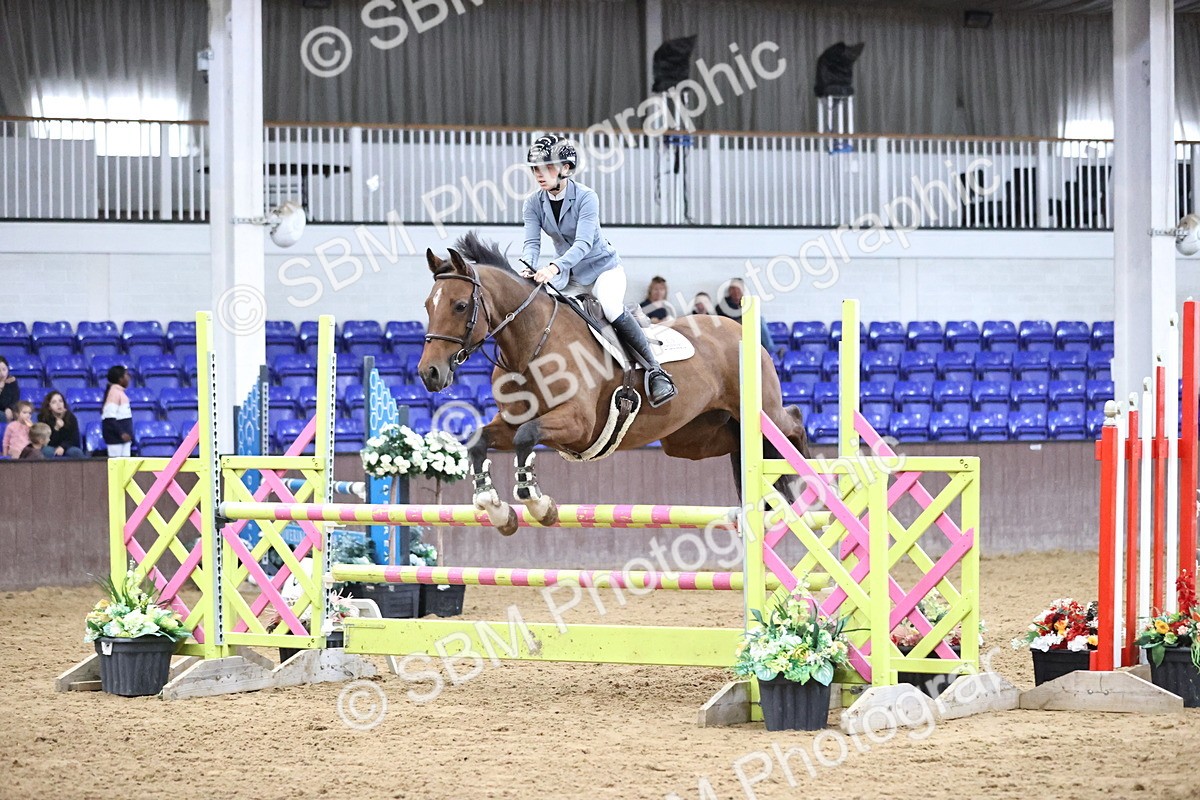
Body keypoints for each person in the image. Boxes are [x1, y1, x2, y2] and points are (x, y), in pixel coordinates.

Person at [520, 134, 677, 407]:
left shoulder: (586, 198)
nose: (539, 175)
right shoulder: (533, 203)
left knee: (611, 307)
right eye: (535, 169)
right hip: (572, 278)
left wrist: (554, 266)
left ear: (565, 169)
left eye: (546, 168)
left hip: (604, 270)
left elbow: (583, 243)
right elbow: (532, 243)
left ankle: (656, 372)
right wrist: (527, 266)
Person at [716, 278, 785, 357]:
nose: (736, 292)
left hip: (747, 328)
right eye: (733, 289)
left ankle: (766, 350)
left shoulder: (748, 302)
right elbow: (723, 322)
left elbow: (752, 315)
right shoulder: (722, 305)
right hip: (731, 329)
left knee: (759, 321)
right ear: (729, 290)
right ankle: (769, 350)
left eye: (738, 289)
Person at [38, 390, 85, 458]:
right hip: (51, 446)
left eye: (61, 401)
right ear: (49, 407)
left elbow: (74, 439)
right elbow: (45, 441)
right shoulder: (43, 418)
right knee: (46, 451)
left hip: (68, 447)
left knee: (76, 452)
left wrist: (63, 447)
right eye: (54, 402)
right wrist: (56, 428)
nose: (58, 404)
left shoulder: (70, 417)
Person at [102, 365, 134, 457]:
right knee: (116, 466)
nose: (128, 377)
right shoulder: (114, 393)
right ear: (120, 379)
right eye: (126, 375)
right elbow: (109, 418)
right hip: (116, 439)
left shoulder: (120, 393)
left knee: (125, 467)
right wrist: (122, 433)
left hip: (124, 439)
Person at [0, 356, 20, 422]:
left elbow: (15, 399)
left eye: (4, 369)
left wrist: (9, 408)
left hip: (8, 412)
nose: (2, 373)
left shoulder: (12, 382)